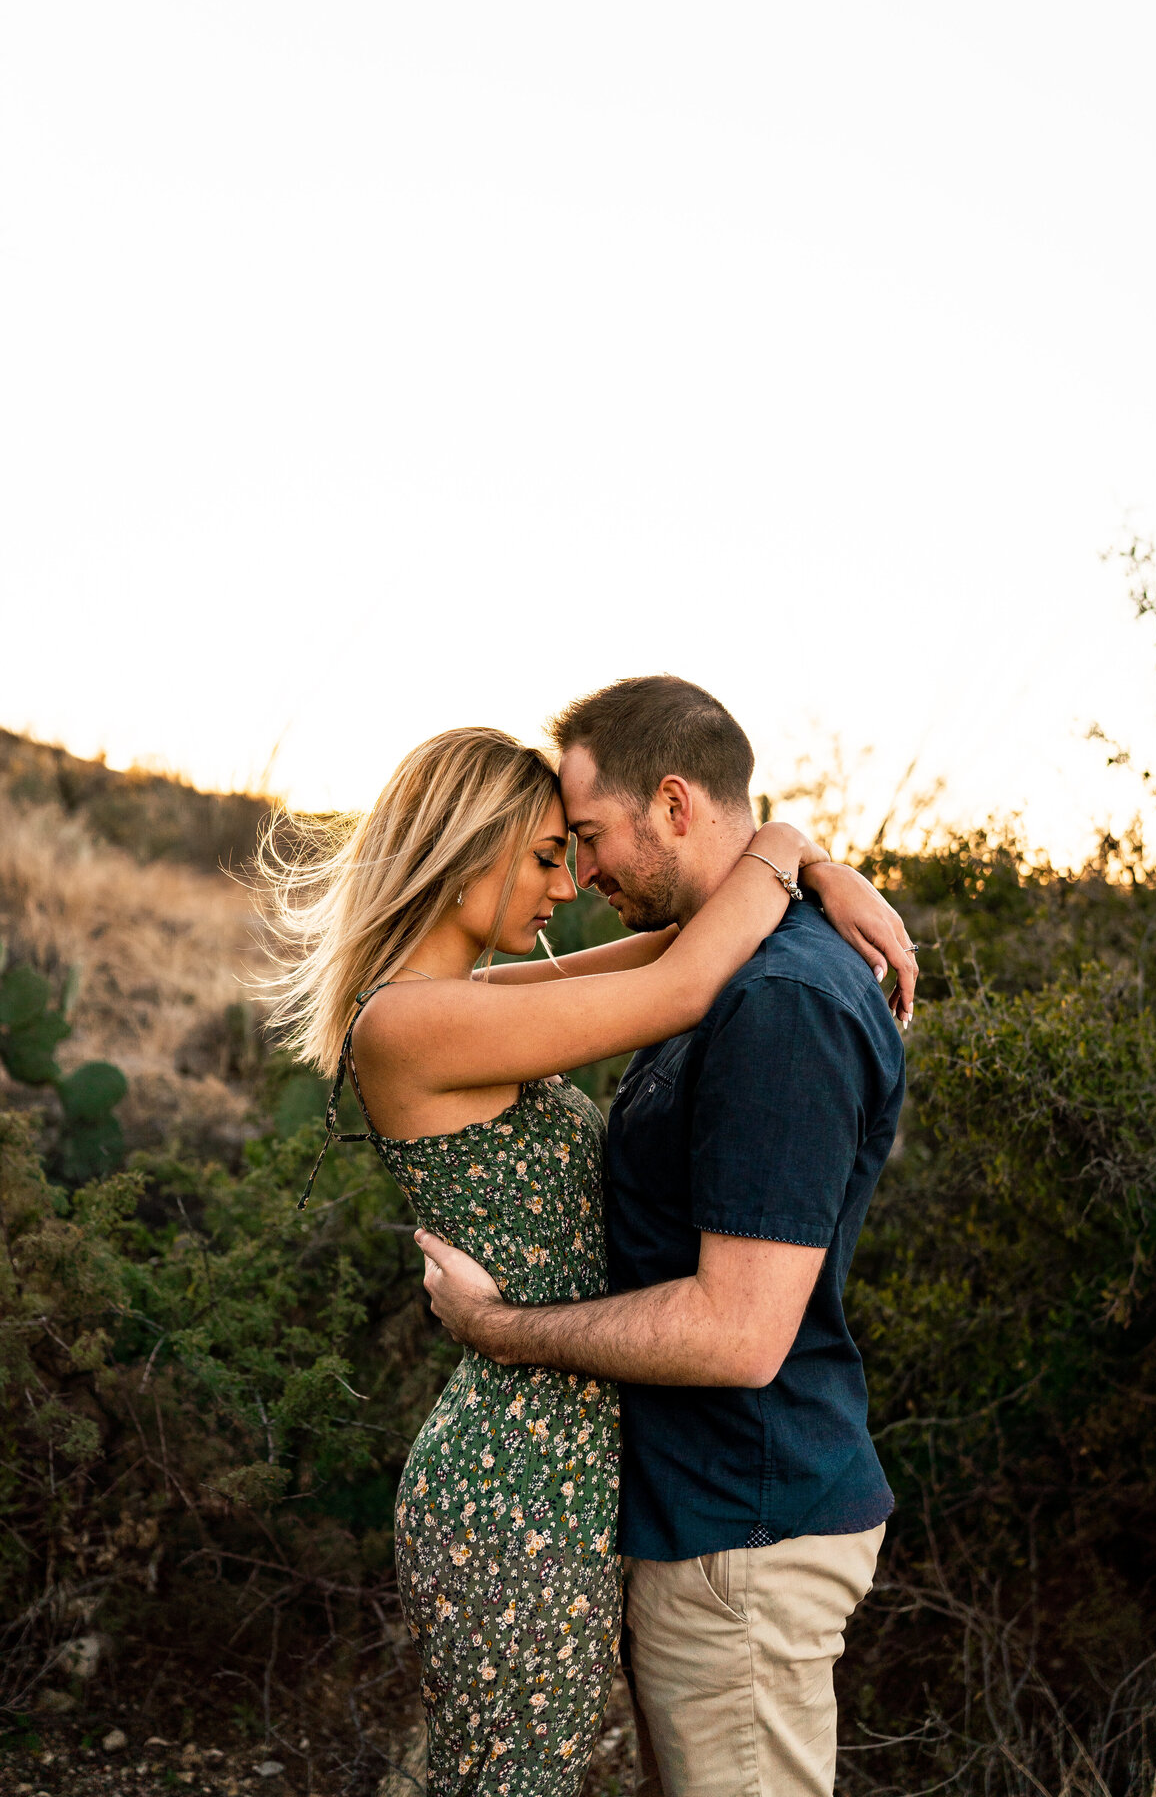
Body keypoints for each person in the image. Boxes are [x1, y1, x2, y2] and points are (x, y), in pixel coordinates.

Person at [260, 720, 913, 1797]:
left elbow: (678, 950)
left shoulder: (472, 1003)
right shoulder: (409, 1026)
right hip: (514, 1471)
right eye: (543, 855)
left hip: (573, 1463)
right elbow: (681, 989)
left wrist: (813, 866)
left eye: (572, 850)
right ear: (463, 850)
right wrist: (790, 838)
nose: (564, 885)